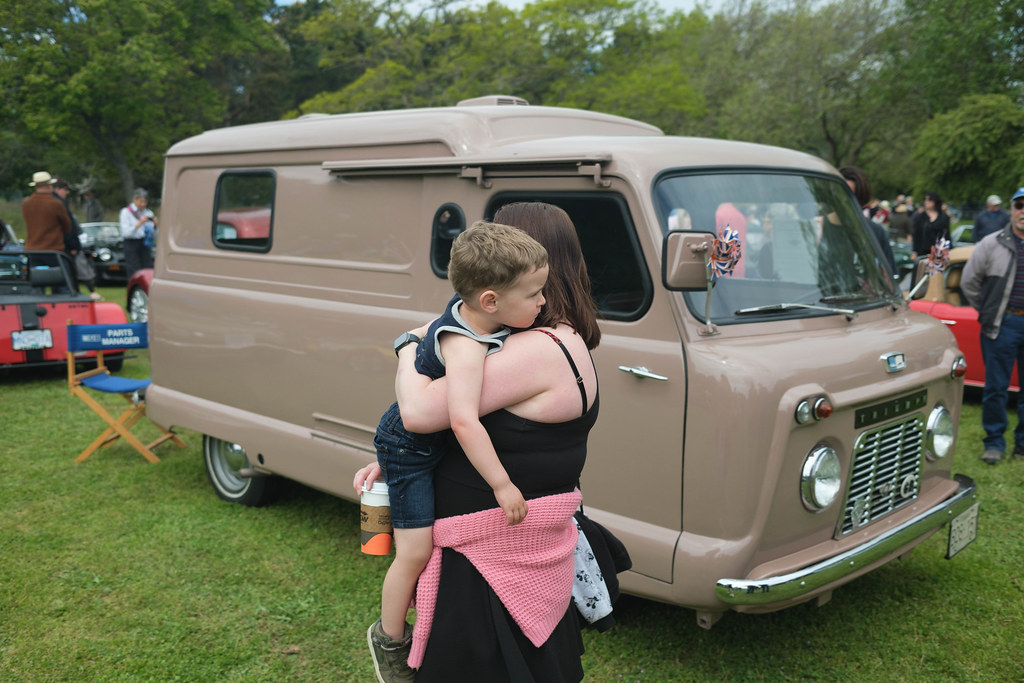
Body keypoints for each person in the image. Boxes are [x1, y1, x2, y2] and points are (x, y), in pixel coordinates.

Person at [354, 201, 601, 682]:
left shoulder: (533, 349)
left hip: (484, 568)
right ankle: (390, 637)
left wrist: (406, 346)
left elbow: (420, 411)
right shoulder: (554, 337)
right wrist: (403, 460)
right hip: (504, 548)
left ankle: (390, 641)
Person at [961, 187, 1024, 465]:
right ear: (1011, 209)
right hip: (1003, 322)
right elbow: (969, 283)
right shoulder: (991, 243)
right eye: (1020, 205)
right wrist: (989, 312)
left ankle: (1022, 444)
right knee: (996, 387)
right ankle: (994, 443)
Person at [838, 166, 897, 276]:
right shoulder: (819, 228)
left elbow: (889, 278)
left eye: (853, 197)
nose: (845, 201)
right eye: (841, 194)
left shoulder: (875, 232)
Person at [53, 179, 101, 299]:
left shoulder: (59, 202)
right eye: (65, 189)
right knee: (77, 269)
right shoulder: (59, 203)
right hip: (68, 244)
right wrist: (73, 245)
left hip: (67, 243)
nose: (67, 192)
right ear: (57, 189)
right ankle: (83, 291)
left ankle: (79, 291)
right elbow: (67, 226)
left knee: (76, 269)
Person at [21, 171, 71, 252]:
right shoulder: (56, 203)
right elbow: (67, 227)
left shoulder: (26, 204)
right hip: (53, 250)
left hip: (32, 250)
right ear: (49, 185)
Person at [120, 188, 157, 281]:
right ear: (134, 200)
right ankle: (135, 289)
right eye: (140, 201)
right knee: (133, 268)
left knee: (147, 267)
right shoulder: (126, 212)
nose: (143, 204)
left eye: (145, 201)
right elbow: (126, 233)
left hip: (144, 243)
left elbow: (154, 235)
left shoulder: (148, 213)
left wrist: (155, 226)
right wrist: (139, 223)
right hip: (131, 243)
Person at [911, 191, 950, 258]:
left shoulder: (943, 217)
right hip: (923, 252)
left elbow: (946, 235)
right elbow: (917, 235)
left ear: (935, 201)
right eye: (925, 200)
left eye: (929, 200)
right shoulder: (920, 217)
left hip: (939, 253)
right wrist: (914, 251)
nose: (926, 202)